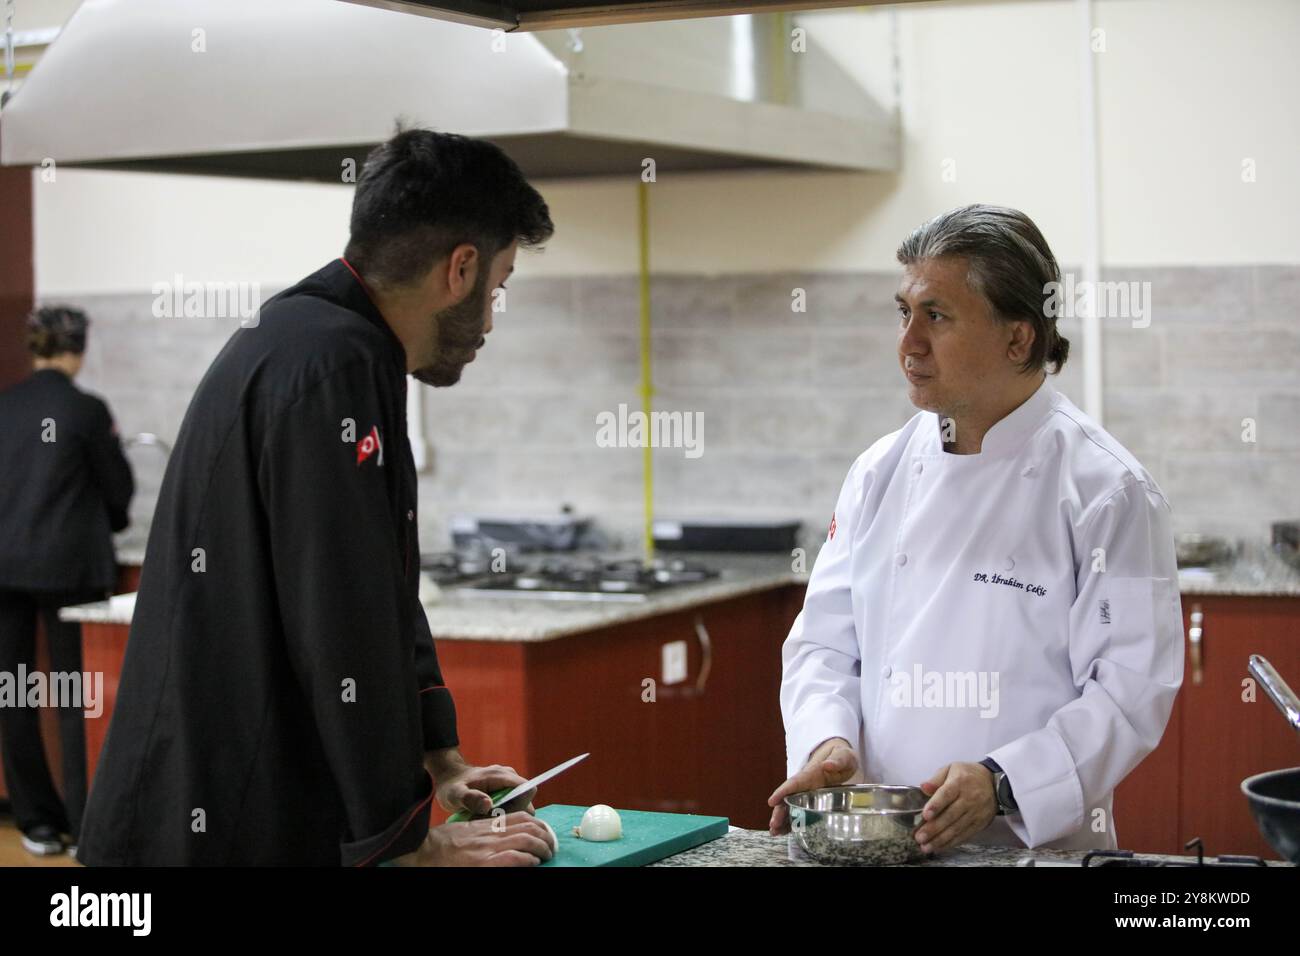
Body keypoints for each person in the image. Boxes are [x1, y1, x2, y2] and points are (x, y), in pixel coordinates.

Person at [78, 129, 558, 866]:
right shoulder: (331, 362)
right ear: (459, 269)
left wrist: (441, 755)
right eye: (496, 290)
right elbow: (341, 613)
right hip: (217, 818)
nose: (489, 321)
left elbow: (381, 583)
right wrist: (403, 843)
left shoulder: (319, 337)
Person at [768, 204, 1183, 852]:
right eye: (903, 313)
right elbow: (823, 646)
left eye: (936, 316)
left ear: (1018, 339)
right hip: (881, 847)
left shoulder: (1106, 491)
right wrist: (829, 741)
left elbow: (1131, 692)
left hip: (1030, 851)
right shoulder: (878, 473)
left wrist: (1001, 782)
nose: (908, 343)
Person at [0, 306, 134, 856]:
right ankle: (86, 824)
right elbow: (118, 493)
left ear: (35, 349)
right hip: (69, 569)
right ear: (77, 349)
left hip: (5, 568)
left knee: (14, 692)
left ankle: (35, 821)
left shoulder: (5, 406)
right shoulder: (84, 409)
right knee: (77, 696)